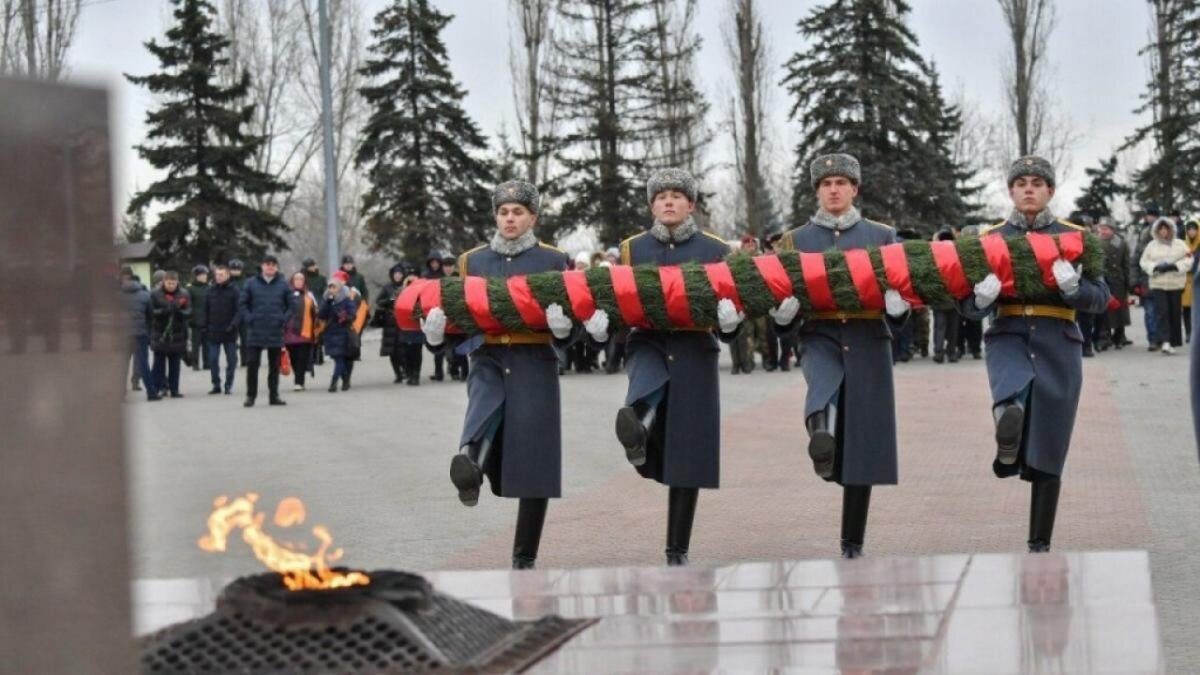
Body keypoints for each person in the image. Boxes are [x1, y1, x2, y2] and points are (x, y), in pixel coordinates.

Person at [422, 180, 610, 570]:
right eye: (503, 212)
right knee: (482, 415)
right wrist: (436, 335)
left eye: (518, 212)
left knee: (534, 463)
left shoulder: (553, 260)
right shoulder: (473, 260)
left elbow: (574, 315)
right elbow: (462, 313)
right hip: (488, 355)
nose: (510, 218)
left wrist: (563, 331)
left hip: (533, 360)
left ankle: (524, 556)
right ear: (496, 216)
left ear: (532, 218)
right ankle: (470, 468)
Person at [959, 156, 1110, 553]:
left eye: (1037, 183)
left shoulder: (1077, 236)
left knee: (1050, 441)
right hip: (1008, 331)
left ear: (1050, 191)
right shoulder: (989, 238)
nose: (1029, 188)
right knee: (1011, 391)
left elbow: (1102, 298)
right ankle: (1008, 426)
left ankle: (1039, 540)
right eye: (1021, 182)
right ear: (1010, 191)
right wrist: (980, 298)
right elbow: (966, 306)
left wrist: (1074, 288)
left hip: (1058, 338)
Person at [775, 153, 911, 559]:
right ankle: (822, 435)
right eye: (826, 184)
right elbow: (781, 292)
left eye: (841, 182)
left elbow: (901, 293)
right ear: (817, 191)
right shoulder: (796, 240)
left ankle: (852, 542)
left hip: (869, 338)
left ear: (855, 189)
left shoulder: (882, 236)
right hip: (820, 333)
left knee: (864, 444)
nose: (833, 189)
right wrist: (783, 315)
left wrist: (898, 307)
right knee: (822, 388)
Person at [614, 168, 742, 566]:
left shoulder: (715, 249)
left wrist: (730, 321)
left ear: (691, 204)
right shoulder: (633, 249)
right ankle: (638, 427)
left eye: (676, 195)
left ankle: (676, 550)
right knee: (647, 385)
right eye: (660, 196)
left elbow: (735, 303)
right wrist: (599, 329)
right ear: (652, 205)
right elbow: (617, 299)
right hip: (649, 340)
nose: (668, 201)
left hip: (695, 347)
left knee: (689, 452)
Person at [239, 253, 291, 407]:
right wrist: (249, 318)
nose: (270, 267)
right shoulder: (251, 283)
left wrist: (283, 319)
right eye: (267, 264)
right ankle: (250, 396)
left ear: (277, 268)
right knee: (252, 364)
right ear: (262, 266)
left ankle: (274, 396)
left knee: (274, 366)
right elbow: (242, 304)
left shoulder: (283, 284)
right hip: (256, 329)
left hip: (275, 329)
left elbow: (292, 306)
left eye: (273, 265)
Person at [1140, 217, 1191, 355]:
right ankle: (1165, 341)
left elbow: (1189, 259)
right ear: (1157, 230)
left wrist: (1176, 266)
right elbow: (1144, 262)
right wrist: (1155, 267)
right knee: (1162, 313)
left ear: (1170, 230)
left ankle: (1173, 342)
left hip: (1176, 283)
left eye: (1166, 229)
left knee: (1175, 313)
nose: (1163, 231)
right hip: (1158, 284)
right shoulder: (1151, 245)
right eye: (1160, 229)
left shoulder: (1180, 244)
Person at [149, 271, 192, 400]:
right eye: (168, 283)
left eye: (173, 283)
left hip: (177, 334)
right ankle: (157, 389)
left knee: (175, 365)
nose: (171, 286)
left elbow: (189, 311)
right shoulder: (155, 294)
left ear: (177, 282)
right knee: (158, 365)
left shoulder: (184, 293)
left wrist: (180, 312)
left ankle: (175, 390)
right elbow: (150, 311)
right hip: (160, 334)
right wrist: (163, 311)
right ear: (163, 281)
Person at [318, 276, 358, 393]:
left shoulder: (346, 299)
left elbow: (353, 314)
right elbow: (321, 315)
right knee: (338, 359)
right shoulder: (327, 300)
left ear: (340, 288)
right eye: (330, 287)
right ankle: (345, 379)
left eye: (334, 287)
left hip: (343, 332)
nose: (331, 289)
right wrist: (328, 303)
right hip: (330, 333)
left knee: (340, 359)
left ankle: (334, 382)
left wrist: (345, 317)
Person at [1097, 218, 1133, 350]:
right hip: (1101, 279)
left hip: (1118, 280)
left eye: (1106, 229)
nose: (1103, 231)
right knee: (1103, 309)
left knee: (1119, 309)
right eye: (1101, 228)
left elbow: (1126, 265)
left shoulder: (1121, 244)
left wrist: (1129, 283)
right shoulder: (1096, 242)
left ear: (1112, 230)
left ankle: (1119, 336)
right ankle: (1103, 337)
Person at [205, 264, 240, 395]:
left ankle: (228, 385)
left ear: (227, 275)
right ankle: (216, 384)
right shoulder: (210, 290)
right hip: (213, 331)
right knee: (213, 360)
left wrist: (233, 325)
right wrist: (205, 326)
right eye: (217, 275)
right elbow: (206, 310)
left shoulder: (234, 290)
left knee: (231, 360)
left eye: (221, 275)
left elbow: (239, 310)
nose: (219, 277)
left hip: (229, 331)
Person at [120, 267, 154, 397]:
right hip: (140, 333)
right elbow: (150, 315)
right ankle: (151, 392)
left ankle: (121, 393)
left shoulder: (118, 295)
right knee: (142, 362)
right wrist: (148, 331)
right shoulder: (145, 294)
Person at [283, 271, 318, 391]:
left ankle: (299, 381)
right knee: (293, 358)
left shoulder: (309, 296)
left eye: (301, 279)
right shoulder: (286, 295)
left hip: (305, 331)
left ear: (304, 282)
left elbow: (315, 313)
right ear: (292, 281)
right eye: (296, 279)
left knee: (302, 357)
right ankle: (298, 376)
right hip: (289, 332)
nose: (298, 281)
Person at [376, 263, 410, 384]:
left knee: (403, 348)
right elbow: (378, 301)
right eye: (395, 273)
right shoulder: (387, 287)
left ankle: (406, 369)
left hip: (403, 319)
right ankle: (398, 373)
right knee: (392, 350)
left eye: (400, 273)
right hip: (389, 321)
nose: (398, 276)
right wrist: (390, 300)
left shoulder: (407, 286)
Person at [932, 227, 960, 363]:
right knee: (952, 329)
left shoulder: (934, 256)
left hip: (939, 299)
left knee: (939, 327)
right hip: (954, 299)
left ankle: (939, 353)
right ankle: (951, 353)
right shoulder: (957, 256)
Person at [424, 252, 449, 381]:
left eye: (436, 262)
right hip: (431, 312)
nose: (434, 265)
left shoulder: (444, 276)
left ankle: (452, 367)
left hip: (444, 309)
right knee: (435, 342)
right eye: (432, 262)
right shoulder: (426, 277)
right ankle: (438, 371)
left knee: (448, 342)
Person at [302, 257, 328, 367]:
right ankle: (309, 356)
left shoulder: (321, 278)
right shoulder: (302, 278)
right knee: (308, 332)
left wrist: (323, 304)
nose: (313, 267)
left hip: (320, 306)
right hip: (306, 307)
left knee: (319, 331)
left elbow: (325, 292)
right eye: (311, 266)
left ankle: (319, 355)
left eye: (314, 265)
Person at [187, 265, 210, 370]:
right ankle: (195, 364)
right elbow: (188, 305)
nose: (204, 277)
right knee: (195, 345)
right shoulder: (190, 289)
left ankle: (207, 363)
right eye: (202, 275)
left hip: (208, 320)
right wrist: (191, 319)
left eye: (205, 275)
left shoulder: (209, 288)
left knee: (207, 344)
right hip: (195, 321)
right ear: (196, 276)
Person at [1183, 220, 1199, 342]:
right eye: (1189, 229)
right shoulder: (1183, 245)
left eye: (1194, 229)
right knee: (1186, 308)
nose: (1191, 232)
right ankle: (1189, 332)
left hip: (1198, 278)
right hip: (1186, 280)